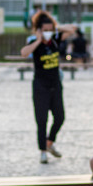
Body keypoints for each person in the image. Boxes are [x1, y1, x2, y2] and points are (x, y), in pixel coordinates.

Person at [20, 11, 77, 164]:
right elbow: (24, 53)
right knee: (42, 120)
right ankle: (43, 151)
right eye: (44, 30)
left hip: (55, 85)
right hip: (40, 86)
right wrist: (38, 40)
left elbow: (72, 29)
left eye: (49, 30)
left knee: (60, 117)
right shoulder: (34, 42)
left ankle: (50, 142)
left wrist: (56, 28)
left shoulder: (56, 39)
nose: (47, 33)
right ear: (38, 29)